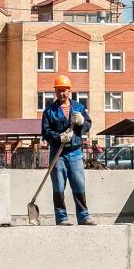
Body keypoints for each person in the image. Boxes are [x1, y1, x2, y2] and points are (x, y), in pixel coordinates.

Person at [40, 74, 94, 226]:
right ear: (55, 92)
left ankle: (83, 216)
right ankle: (61, 217)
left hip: (75, 153)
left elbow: (88, 124)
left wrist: (82, 122)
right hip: (58, 154)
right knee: (58, 186)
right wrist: (58, 137)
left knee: (78, 184)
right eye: (58, 90)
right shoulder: (49, 111)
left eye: (64, 90)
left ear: (69, 91)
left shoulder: (78, 107)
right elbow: (45, 131)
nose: (61, 93)